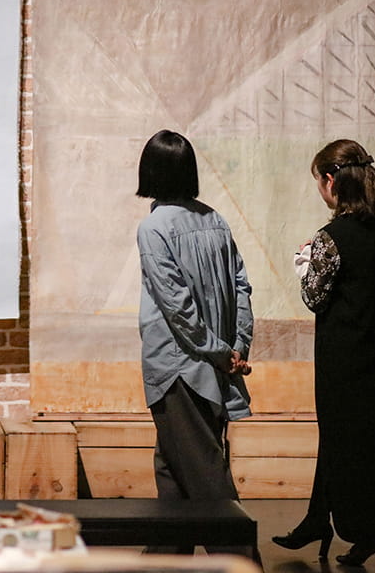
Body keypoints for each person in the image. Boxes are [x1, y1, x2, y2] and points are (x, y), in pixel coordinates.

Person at [272, 138, 375, 570]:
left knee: (340, 440)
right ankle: (338, 525)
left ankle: (342, 525)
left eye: (318, 181)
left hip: (341, 360)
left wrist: (304, 261)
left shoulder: (331, 238)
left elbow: (314, 297)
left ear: (331, 181)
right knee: (371, 445)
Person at [134, 130, 254, 553]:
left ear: (150, 172)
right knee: (172, 471)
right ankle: (165, 560)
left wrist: (222, 353)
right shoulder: (215, 221)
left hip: (178, 369)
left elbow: (177, 308)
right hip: (212, 366)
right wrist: (236, 349)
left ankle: (242, 561)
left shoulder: (154, 228)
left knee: (206, 478)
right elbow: (242, 289)